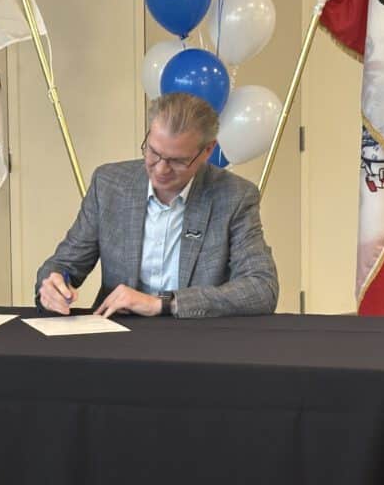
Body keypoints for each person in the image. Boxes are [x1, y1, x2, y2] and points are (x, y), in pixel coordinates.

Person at [36, 93, 278, 318]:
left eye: (178, 161)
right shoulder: (109, 184)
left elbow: (261, 288)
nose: (161, 169)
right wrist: (53, 284)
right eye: (153, 152)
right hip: (117, 336)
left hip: (197, 339)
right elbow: (64, 264)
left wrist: (164, 302)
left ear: (207, 150)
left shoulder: (234, 196)